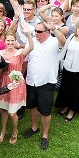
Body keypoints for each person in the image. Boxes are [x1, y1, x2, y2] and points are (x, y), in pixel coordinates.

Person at [22, 22, 66, 150]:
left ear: (47, 32)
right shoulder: (32, 42)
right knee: (33, 106)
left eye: (39, 32)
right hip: (31, 80)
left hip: (46, 82)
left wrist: (55, 28)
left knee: (46, 110)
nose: (36, 33)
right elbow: (25, 57)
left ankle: (45, 135)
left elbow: (63, 40)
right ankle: (34, 127)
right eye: (35, 31)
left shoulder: (54, 42)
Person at [0, 27, 34, 144]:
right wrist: (1, 66)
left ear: (15, 41)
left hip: (16, 85)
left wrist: (28, 35)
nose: (10, 43)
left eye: (12, 41)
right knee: (4, 109)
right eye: (8, 41)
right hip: (4, 83)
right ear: (4, 41)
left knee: (12, 113)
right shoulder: (0, 53)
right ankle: (3, 130)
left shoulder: (19, 53)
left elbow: (31, 47)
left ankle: (14, 131)